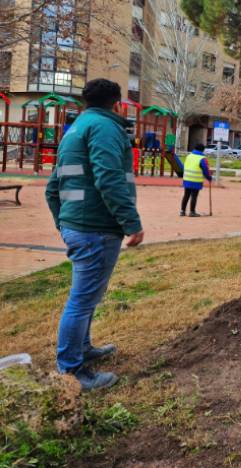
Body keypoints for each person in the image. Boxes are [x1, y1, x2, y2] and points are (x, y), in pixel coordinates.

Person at [45, 79, 144, 391]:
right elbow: (109, 178)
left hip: (78, 225)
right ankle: (73, 371)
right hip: (96, 228)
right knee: (82, 299)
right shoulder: (105, 128)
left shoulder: (75, 128)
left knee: (86, 297)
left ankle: (83, 348)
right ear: (117, 104)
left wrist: (63, 222)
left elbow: (53, 186)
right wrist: (131, 223)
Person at [178, 143, 212, 216]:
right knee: (194, 195)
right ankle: (192, 212)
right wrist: (209, 178)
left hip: (187, 178)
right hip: (196, 180)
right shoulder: (202, 158)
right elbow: (206, 170)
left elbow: (184, 166)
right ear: (203, 150)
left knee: (186, 195)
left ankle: (182, 211)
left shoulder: (189, 156)